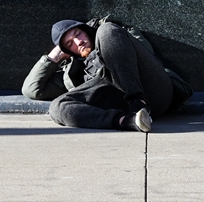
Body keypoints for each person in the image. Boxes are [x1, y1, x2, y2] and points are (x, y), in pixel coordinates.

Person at [22, 17, 184, 132]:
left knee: (107, 31)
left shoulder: (109, 31)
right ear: (67, 52)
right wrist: (53, 57)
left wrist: (104, 32)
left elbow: (145, 52)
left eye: (78, 34)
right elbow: (32, 89)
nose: (79, 42)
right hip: (121, 106)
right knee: (57, 107)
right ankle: (126, 122)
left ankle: (138, 102)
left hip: (152, 89)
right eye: (70, 44)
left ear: (85, 30)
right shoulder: (71, 73)